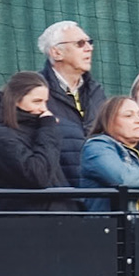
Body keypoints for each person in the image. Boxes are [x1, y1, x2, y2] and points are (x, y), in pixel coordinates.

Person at [0, 71, 76, 212]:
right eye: (37, 102)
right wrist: (48, 129)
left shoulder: (37, 128)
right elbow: (38, 176)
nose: (44, 109)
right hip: (23, 220)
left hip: (50, 216)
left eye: (45, 102)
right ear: (16, 100)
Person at [32, 20, 106, 185]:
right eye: (80, 43)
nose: (89, 48)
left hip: (96, 188)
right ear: (56, 53)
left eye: (89, 42)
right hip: (57, 190)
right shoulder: (35, 91)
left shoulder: (97, 92)